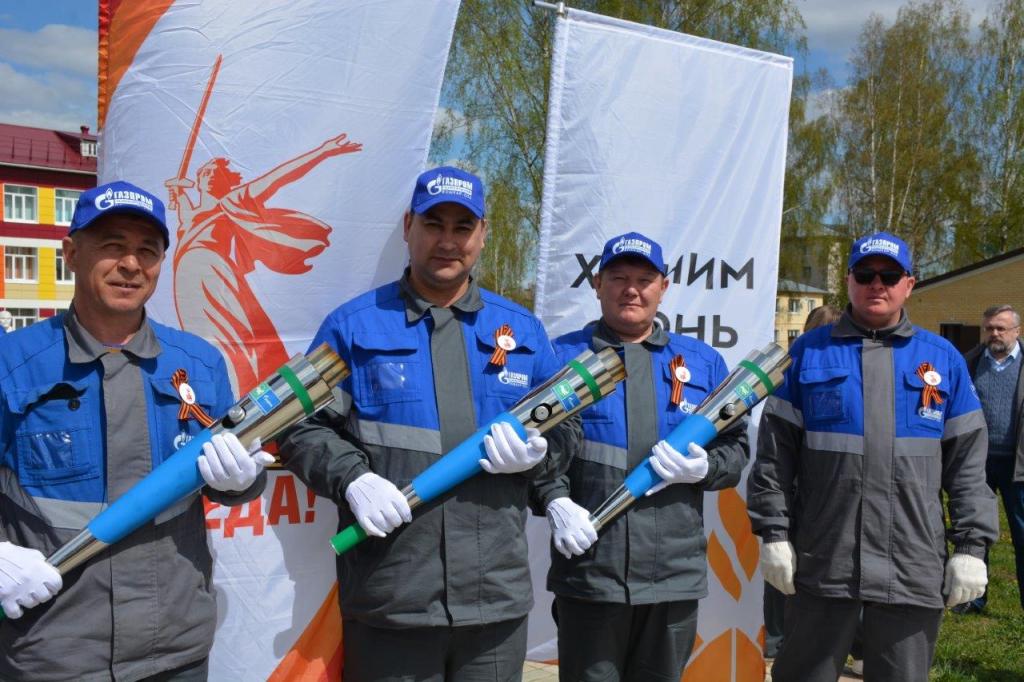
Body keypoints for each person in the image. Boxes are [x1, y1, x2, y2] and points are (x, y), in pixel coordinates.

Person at [279, 166, 581, 681]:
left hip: (494, 602)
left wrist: (539, 455)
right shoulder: (352, 327)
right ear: (408, 227)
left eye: (462, 227)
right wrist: (353, 478)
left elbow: (567, 430)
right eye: (433, 224)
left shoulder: (524, 332)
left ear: (482, 235)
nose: (447, 241)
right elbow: (299, 426)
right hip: (391, 596)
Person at [0, 181, 272, 681]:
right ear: (71, 253)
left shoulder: (199, 363)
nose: (131, 264)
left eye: (147, 251)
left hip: (174, 649)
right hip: (55, 650)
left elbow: (232, 475)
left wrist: (244, 480)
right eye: (113, 246)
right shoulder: (12, 364)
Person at [748, 231, 998, 682]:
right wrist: (773, 532)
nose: (876, 284)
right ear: (848, 281)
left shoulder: (943, 360)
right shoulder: (808, 352)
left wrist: (971, 546)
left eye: (889, 275)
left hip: (911, 563)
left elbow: (968, 467)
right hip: (824, 559)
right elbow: (774, 457)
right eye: (865, 274)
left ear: (909, 284)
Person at [530, 232, 749, 681]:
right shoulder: (561, 358)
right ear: (597, 284)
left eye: (644, 280)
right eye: (619, 278)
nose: (631, 289)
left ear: (663, 287)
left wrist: (705, 468)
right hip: (591, 574)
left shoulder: (703, 363)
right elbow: (538, 451)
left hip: (673, 576)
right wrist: (554, 499)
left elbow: (736, 447)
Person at [165, 133, 363, 392]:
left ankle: (239, 394)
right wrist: (177, 190)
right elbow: (181, 203)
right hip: (187, 282)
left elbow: (278, 177)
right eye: (207, 171)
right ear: (199, 180)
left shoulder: (233, 201)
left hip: (215, 275)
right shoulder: (190, 214)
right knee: (199, 342)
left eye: (219, 172)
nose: (212, 175)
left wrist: (322, 151)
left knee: (234, 342)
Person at [763, 303, 845, 674]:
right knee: (788, 567)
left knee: (788, 571)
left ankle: (778, 638)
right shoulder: (796, 367)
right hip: (804, 489)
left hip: (808, 489)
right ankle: (782, 640)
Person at [960, 304, 1024, 614]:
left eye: (1001, 328)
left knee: (1022, 535)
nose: (994, 333)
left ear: (1017, 331)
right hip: (978, 462)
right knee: (975, 532)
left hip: (1019, 466)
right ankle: (973, 597)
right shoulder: (969, 363)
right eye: (989, 328)